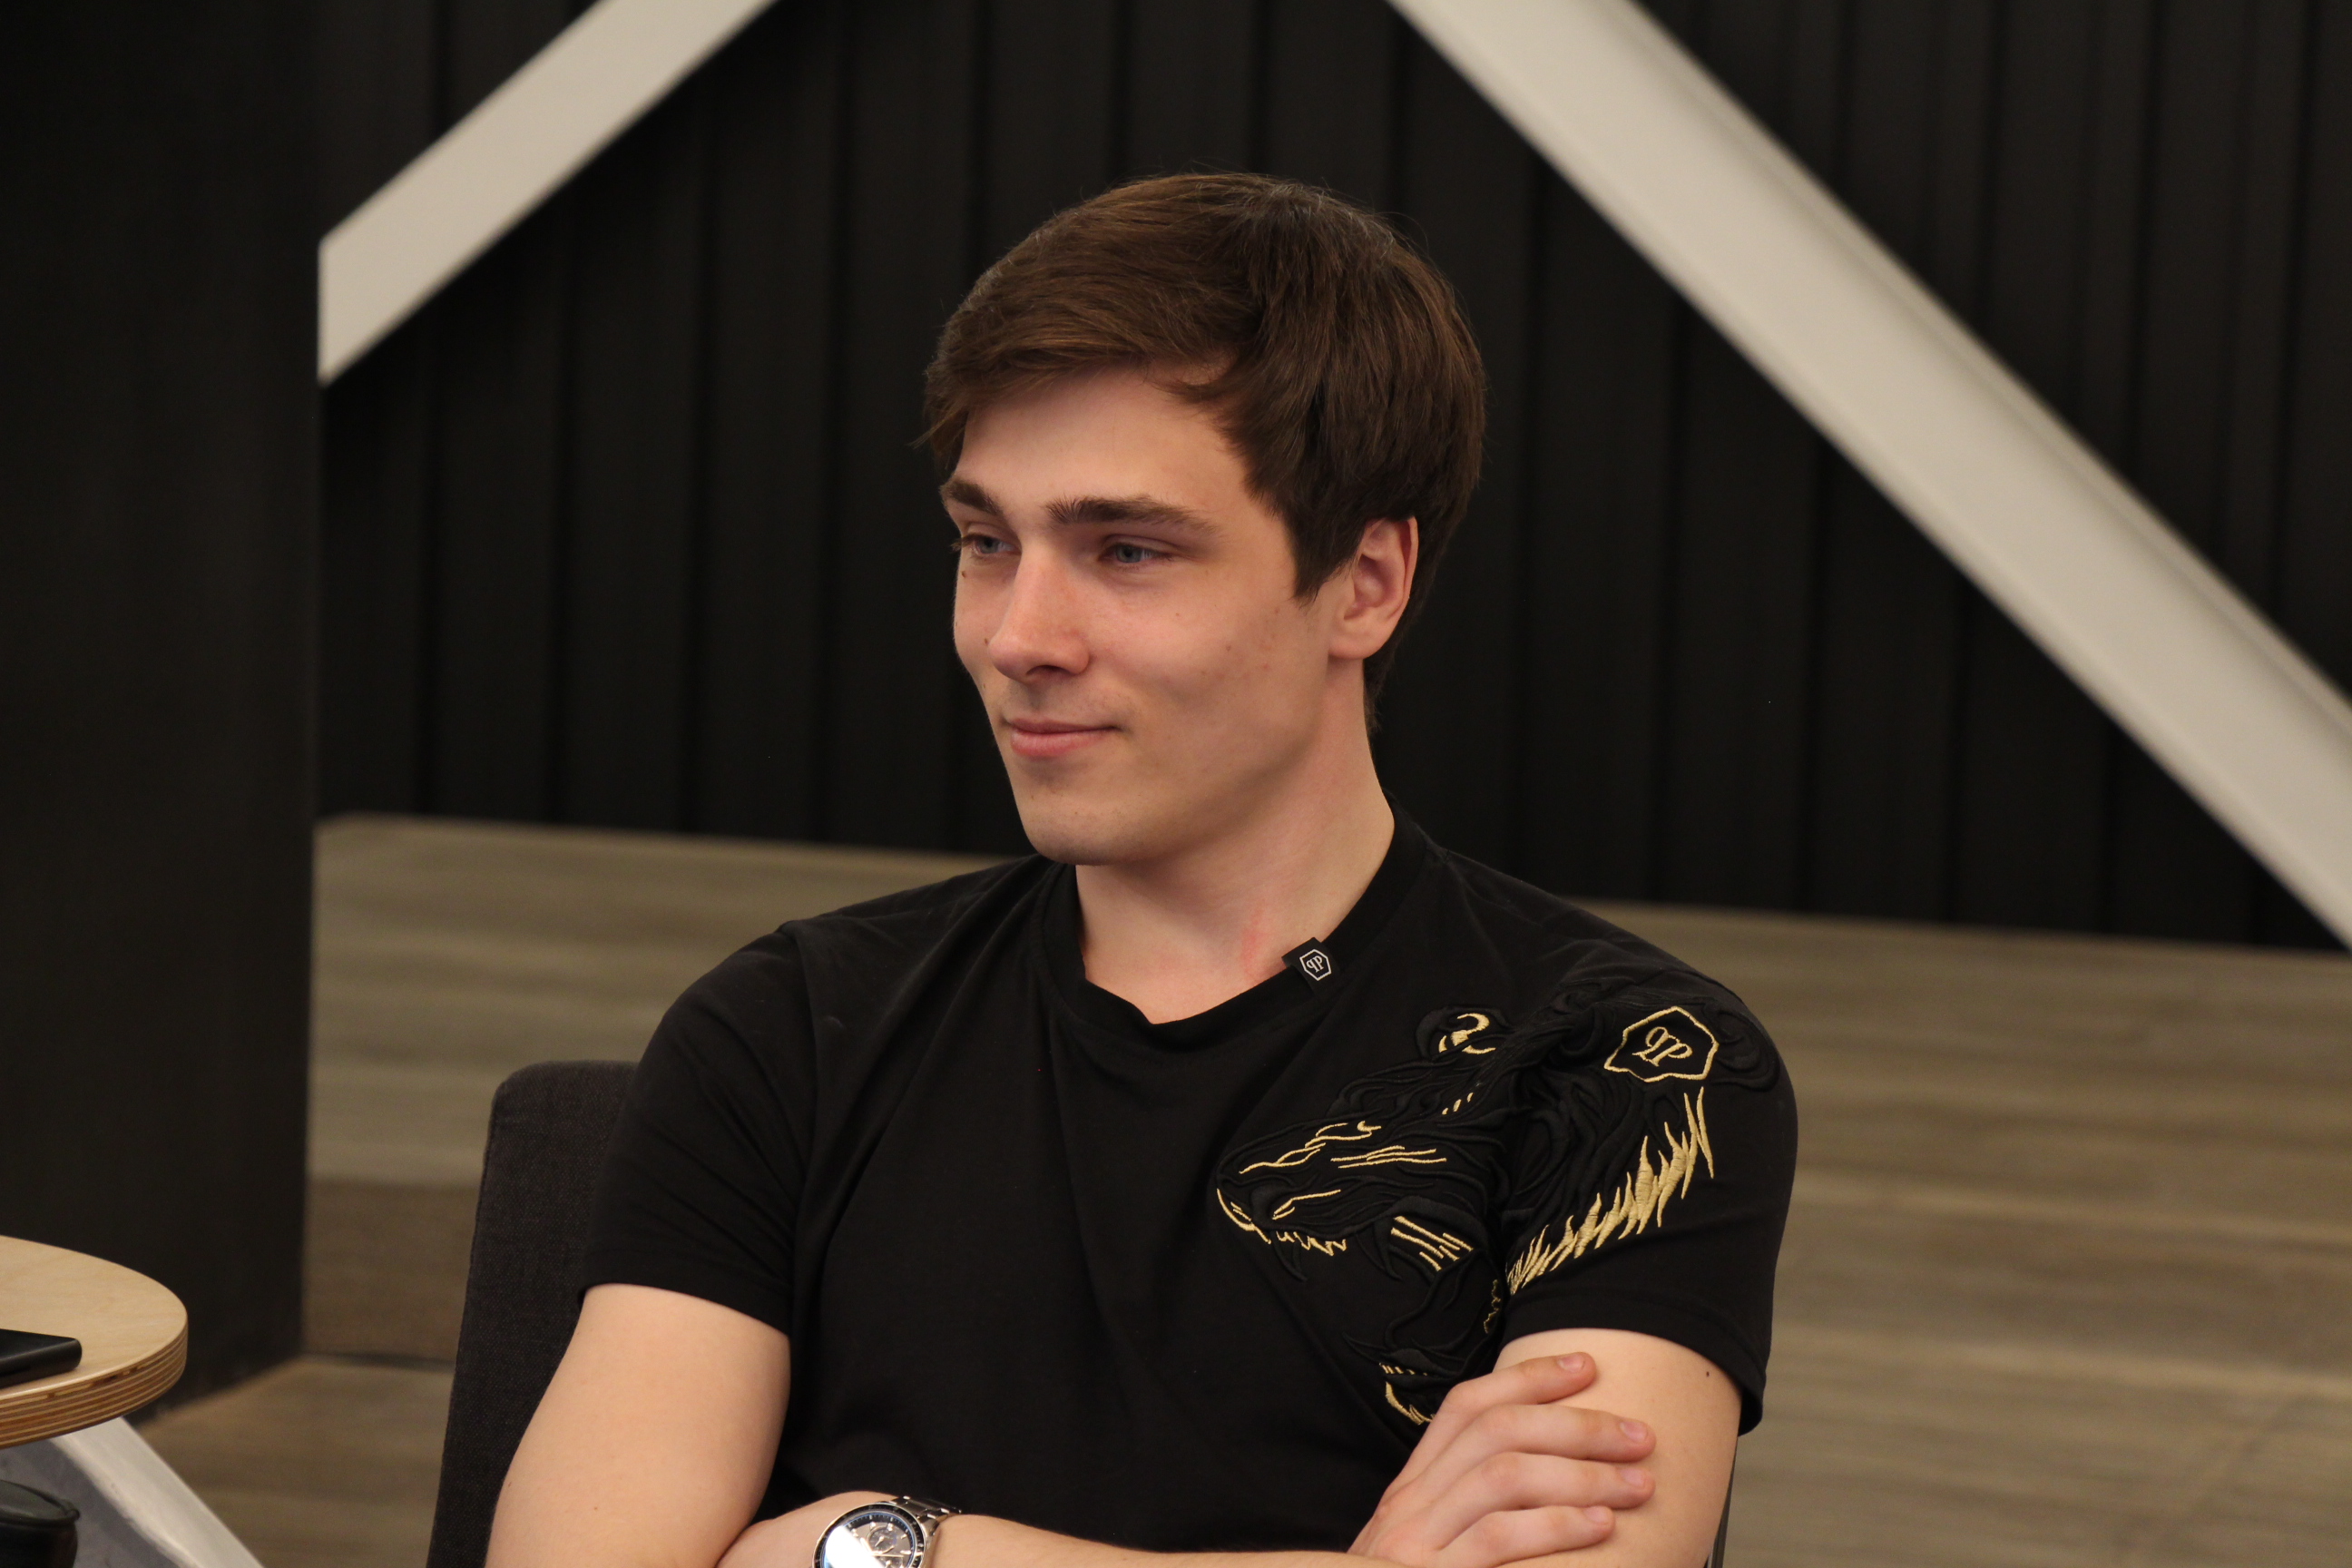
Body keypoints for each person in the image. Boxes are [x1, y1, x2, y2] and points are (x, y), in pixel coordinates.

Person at [487, 173, 1797, 1568]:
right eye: (986, 543)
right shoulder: (792, 1029)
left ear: (1365, 582)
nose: (1019, 636)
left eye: (1126, 550)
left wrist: (864, 1553)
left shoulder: (1630, 1065)